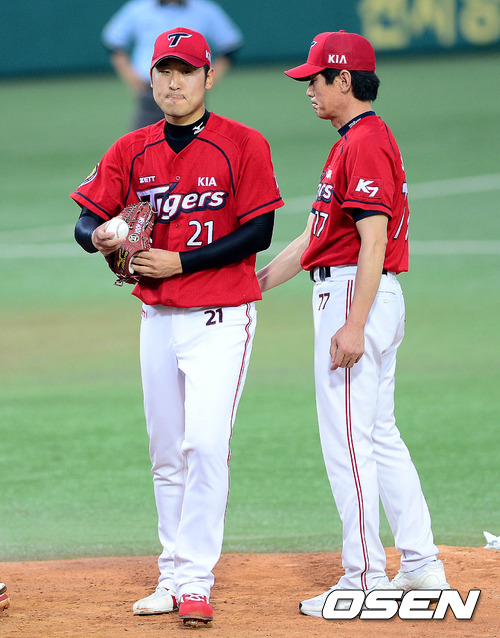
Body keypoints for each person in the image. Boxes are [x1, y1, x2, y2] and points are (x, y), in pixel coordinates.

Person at [71, 27, 283, 625]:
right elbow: (84, 223)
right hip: (158, 318)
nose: (173, 81)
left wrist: (182, 262)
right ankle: (172, 576)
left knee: (205, 446)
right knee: (167, 453)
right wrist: (100, 236)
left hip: (221, 319)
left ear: (208, 77)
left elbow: (260, 232)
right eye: (164, 70)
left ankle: (196, 580)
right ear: (152, 77)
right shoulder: (130, 149)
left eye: (185, 70)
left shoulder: (243, 143)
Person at [257, 30, 450, 618]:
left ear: (344, 79)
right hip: (363, 293)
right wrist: (253, 284)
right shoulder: (355, 141)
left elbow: (372, 240)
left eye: (315, 79)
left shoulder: (363, 142)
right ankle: (421, 564)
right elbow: (315, 237)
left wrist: (354, 323)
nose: (308, 89)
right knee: (380, 434)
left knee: (348, 441)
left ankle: (365, 579)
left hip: (353, 296)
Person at [102, 0, 243, 129]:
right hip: (150, 89)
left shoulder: (204, 9)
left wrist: (208, 79)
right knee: (142, 143)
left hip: (190, 86)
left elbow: (230, 45)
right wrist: (131, 77)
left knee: (195, 142)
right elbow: (113, 42)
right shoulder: (138, 8)